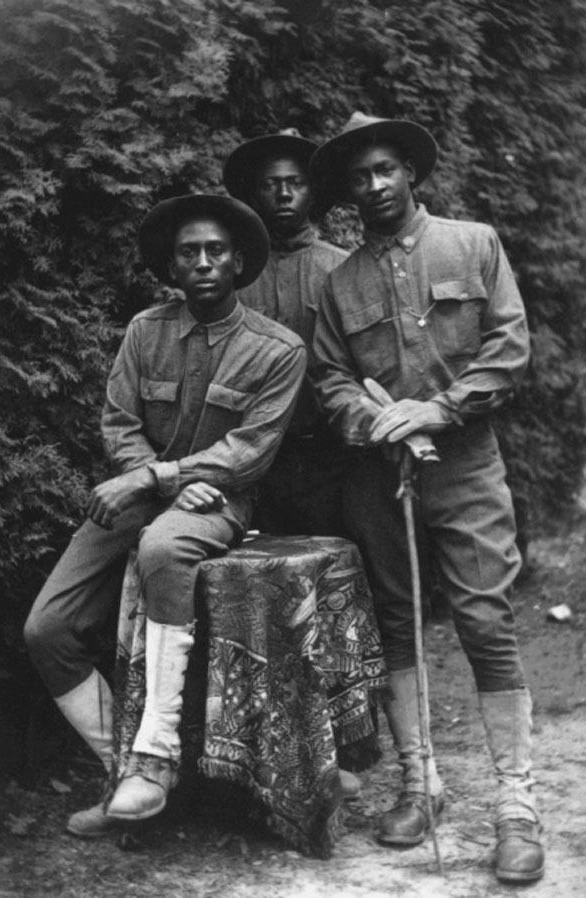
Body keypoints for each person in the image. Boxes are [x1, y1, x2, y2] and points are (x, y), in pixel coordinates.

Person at [24, 194, 306, 836]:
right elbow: (120, 422)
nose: (203, 262)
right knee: (47, 630)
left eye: (215, 252)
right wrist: (152, 477)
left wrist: (163, 478)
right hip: (149, 493)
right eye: (189, 253)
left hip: (220, 500)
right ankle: (125, 768)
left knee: (162, 549)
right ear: (172, 268)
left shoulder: (278, 350)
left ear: (238, 262)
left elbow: (249, 451)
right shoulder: (144, 332)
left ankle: (155, 759)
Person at [310, 112, 544, 883]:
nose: (374, 186)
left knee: (483, 616)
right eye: (358, 176)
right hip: (382, 474)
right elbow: (331, 377)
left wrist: (439, 409)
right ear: (346, 191)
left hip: (466, 464)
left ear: (411, 170)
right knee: (396, 618)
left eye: (385, 169)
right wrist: (373, 418)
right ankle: (422, 783)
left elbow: (509, 348)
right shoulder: (339, 281)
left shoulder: (472, 244)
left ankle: (517, 806)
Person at [223, 129, 350, 538]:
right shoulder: (234, 276)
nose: (283, 195)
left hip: (329, 456)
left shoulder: (343, 270)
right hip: (251, 457)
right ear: (254, 194)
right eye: (270, 185)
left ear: (313, 193)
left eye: (295, 183)